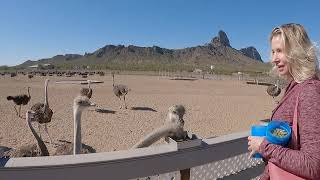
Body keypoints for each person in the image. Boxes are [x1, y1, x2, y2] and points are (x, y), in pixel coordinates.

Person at [248, 23, 320, 179]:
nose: (274, 59)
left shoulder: (309, 91)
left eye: (280, 51)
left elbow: (314, 165)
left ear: (297, 51)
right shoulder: (295, 87)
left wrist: (264, 146)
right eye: (273, 51)